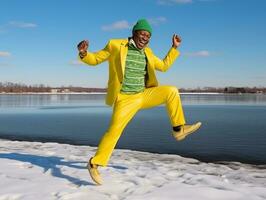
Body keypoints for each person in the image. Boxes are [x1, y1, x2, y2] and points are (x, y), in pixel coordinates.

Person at [77, 19, 201, 185]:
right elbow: (96, 59)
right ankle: (94, 163)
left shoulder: (147, 53)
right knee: (114, 131)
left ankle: (179, 128)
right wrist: (84, 54)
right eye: (142, 33)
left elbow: (163, 66)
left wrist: (174, 48)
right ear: (134, 33)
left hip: (143, 94)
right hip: (125, 98)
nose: (145, 37)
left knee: (171, 90)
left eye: (148, 36)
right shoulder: (115, 45)